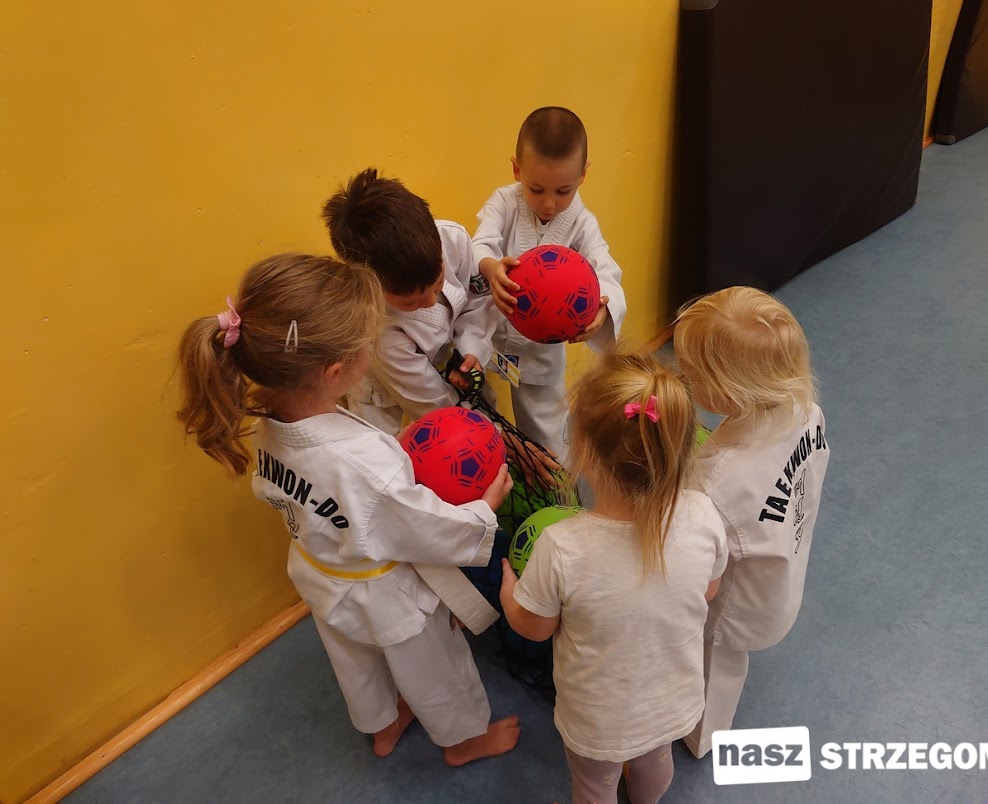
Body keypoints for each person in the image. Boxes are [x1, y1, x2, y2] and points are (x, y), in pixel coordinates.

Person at [175, 253, 520, 765]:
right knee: (436, 669)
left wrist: (388, 457)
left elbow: (344, 484)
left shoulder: (271, 423)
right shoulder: (363, 465)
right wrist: (482, 511)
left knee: (356, 665)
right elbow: (422, 526)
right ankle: (464, 740)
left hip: (322, 572)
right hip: (387, 593)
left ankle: (382, 726)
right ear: (337, 372)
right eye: (368, 345)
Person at [499, 351, 727, 804]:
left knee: (594, 785)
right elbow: (708, 590)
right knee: (654, 761)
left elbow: (535, 627)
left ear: (583, 451)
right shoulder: (704, 514)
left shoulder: (561, 546)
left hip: (597, 721)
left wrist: (510, 591)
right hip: (673, 701)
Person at [673, 286, 830, 759]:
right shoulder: (807, 409)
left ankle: (702, 736)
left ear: (726, 395)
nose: (683, 377)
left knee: (715, 664)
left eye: (690, 373)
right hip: (784, 555)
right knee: (726, 659)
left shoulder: (716, 482)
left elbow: (696, 560)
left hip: (735, 602)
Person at [472, 107, 627, 461]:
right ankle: (497, 465)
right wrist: (491, 267)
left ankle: (555, 482)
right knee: (480, 407)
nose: (549, 203)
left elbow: (605, 269)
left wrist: (603, 309)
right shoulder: (504, 202)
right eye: (536, 188)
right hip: (488, 333)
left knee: (546, 433)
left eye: (564, 190)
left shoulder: (582, 224)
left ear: (583, 175)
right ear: (517, 170)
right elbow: (481, 242)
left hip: (541, 347)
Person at [322, 168, 496, 435]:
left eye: (438, 283)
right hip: (381, 390)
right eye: (410, 303)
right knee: (387, 443)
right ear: (372, 286)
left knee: (482, 405)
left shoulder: (453, 241)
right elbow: (434, 404)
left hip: (446, 355)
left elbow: (477, 300)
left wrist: (471, 348)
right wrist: (490, 434)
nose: (430, 301)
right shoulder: (380, 331)